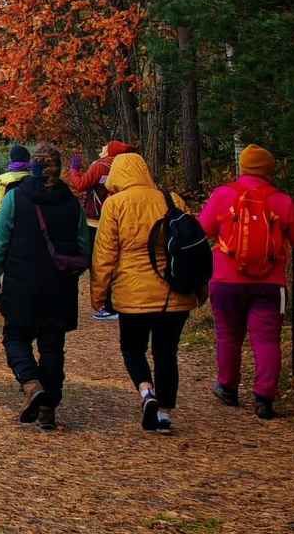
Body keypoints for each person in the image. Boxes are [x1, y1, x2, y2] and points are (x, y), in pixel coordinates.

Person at [198, 144, 294, 419]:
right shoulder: (282, 201)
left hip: (226, 280)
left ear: (243, 167)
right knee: (266, 341)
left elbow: (202, 229)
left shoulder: (223, 195)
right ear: (269, 170)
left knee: (228, 335)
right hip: (269, 284)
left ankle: (227, 387)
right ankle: (264, 398)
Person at [0, 143, 92, 431]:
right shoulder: (72, 203)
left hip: (21, 284)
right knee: (53, 346)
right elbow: (84, 246)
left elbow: (0, 244)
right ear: (58, 167)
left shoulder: (15, 199)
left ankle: (31, 384)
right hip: (60, 287)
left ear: (33, 167)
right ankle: (48, 410)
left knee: (15, 338)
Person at [90, 152, 199, 432]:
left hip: (132, 294)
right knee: (166, 352)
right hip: (173, 293)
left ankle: (145, 391)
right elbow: (190, 244)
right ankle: (163, 412)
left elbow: (104, 255)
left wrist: (98, 295)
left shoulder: (115, 205)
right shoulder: (171, 199)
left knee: (132, 349)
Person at [71, 140, 136, 320]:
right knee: (117, 263)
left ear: (110, 151)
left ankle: (105, 305)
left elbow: (81, 184)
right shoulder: (127, 168)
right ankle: (120, 302)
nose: (101, 149)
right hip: (119, 220)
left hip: (95, 221)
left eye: (105, 147)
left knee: (98, 263)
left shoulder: (101, 166)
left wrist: (74, 170)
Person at [0, 144, 33, 216]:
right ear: (28, 159)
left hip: (9, 220)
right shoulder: (34, 180)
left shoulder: (3, 181)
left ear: (11, 159)